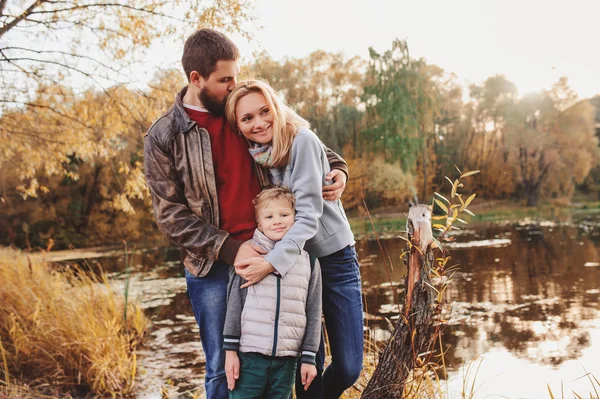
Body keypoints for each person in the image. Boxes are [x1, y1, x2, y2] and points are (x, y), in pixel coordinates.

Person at [143, 29, 348, 399]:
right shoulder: (164, 136)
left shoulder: (247, 106)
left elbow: (308, 142)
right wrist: (232, 249)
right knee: (225, 370)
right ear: (196, 79)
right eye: (225, 80)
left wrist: (340, 172)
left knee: (298, 359)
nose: (234, 85)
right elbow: (170, 216)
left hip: (277, 248)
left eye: (235, 76)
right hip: (213, 266)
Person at [225, 79, 364, 399]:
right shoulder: (255, 154)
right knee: (307, 371)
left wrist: (270, 264)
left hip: (332, 256)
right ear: (238, 126)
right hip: (295, 266)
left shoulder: (301, 140)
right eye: (247, 119)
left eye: (264, 112)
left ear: (275, 107)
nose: (258, 122)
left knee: (348, 367)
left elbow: (308, 216)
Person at [223, 186, 322, 398]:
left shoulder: (309, 262)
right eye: (269, 216)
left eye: (284, 215)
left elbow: (314, 312)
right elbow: (234, 304)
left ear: (296, 218)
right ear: (259, 223)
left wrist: (309, 358)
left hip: (287, 360)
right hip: (250, 357)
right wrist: (230, 352)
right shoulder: (248, 253)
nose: (277, 221)